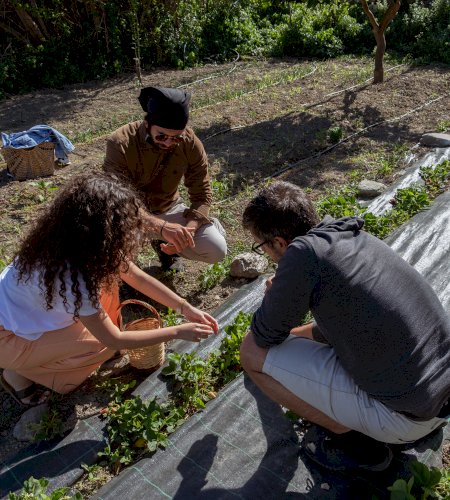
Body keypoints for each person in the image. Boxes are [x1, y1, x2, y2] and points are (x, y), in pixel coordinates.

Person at [240, 181, 450, 472]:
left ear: (278, 242)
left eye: (262, 246)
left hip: (407, 417)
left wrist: (274, 297)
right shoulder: (349, 236)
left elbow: (264, 335)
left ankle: (356, 442)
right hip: (436, 401)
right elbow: (334, 328)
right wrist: (292, 329)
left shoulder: (302, 253)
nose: (266, 253)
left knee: (250, 353)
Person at [0, 172, 218, 406]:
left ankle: (46, 355)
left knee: (110, 283)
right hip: (8, 338)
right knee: (101, 346)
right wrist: (177, 331)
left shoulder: (69, 243)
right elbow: (115, 339)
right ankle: (17, 375)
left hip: (24, 315)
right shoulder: (75, 276)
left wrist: (184, 307)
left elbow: (137, 277)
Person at [103, 86, 227, 272]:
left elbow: (202, 194)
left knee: (216, 249)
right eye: (161, 136)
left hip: (168, 208)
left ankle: (168, 251)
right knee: (105, 249)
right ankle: (129, 272)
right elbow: (118, 201)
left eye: (176, 138)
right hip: (129, 214)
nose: (168, 143)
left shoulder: (191, 143)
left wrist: (188, 231)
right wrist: (162, 228)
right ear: (147, 124)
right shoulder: (120, 143)